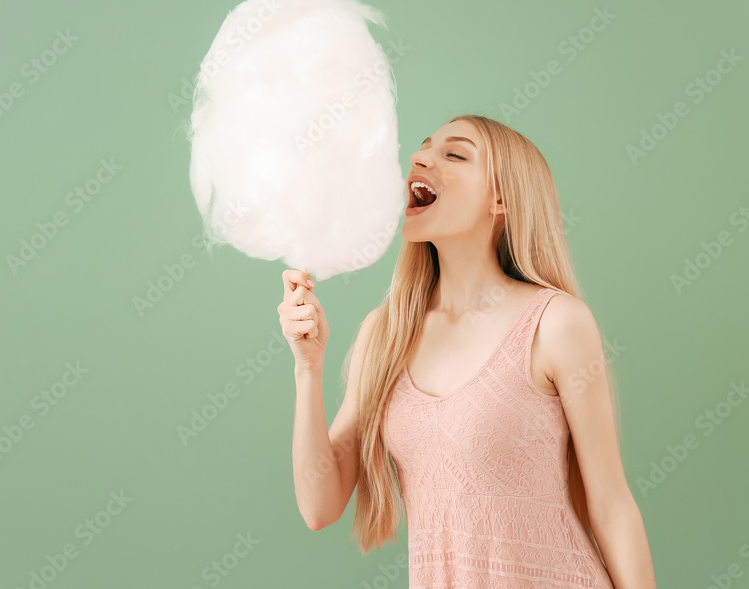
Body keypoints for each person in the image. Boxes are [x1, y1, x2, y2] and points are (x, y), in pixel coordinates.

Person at [280, 114, 656, 587]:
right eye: (423, 148)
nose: (419, 158)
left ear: (501, 198)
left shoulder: (555, 323)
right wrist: (307, 367)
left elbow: (612, 505)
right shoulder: (386, 333)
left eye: (454, 154)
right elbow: (320, 505)